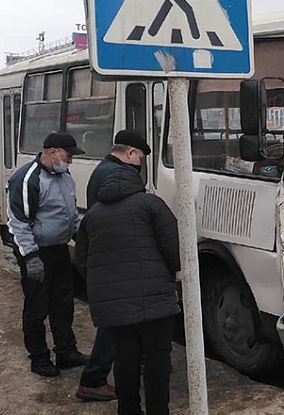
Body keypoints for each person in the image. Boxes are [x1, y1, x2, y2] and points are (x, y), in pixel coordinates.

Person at [75, 140, 180, 415]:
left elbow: (83, 260)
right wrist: (168, 277)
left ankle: (128, 410)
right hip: (156, 304)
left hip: (114, 307)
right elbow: (175, 248)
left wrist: (104, 289)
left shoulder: (92, 215)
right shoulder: (151, 204)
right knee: (157, 362)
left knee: (125, 360)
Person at [75, 130, 151, 403]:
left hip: (106, 257)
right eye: (140, 157)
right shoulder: (116, 175)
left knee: (122, 320)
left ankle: (126, 363)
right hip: (114, 259)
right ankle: (92, 380)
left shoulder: (103, 170)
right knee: (115, 323)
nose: (140, 163)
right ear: (130, 153)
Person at [6, 131, 90, 377]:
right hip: (36, 253)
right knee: (36, 308)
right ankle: (39, 358)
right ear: (52, 152)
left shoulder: (64, 176)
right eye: (68, 155)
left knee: (63, 303)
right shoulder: (26, 179)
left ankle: (65, 351)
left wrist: (80, 235)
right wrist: (31, 257)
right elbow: (18, 222)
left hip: (59, 250)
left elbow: (70, 212)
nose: (71, 160)